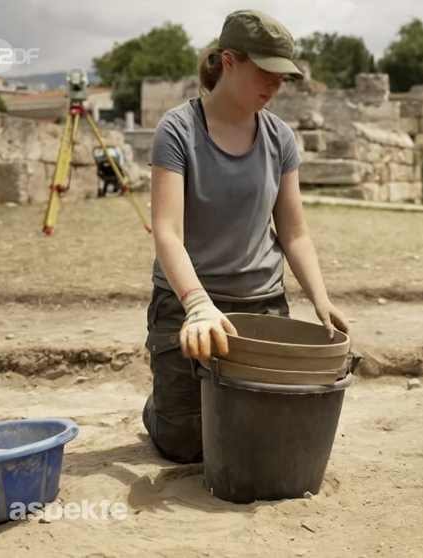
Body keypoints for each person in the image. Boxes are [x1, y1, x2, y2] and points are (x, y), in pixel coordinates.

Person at [142, 9, 350, 464]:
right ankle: (162, 405)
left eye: (283, 77)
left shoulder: (280, 138)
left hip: (260, 305)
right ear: (229, 61)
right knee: (185, 447)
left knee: (256, 436)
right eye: (266, 72)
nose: (275, 86)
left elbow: (293, 231)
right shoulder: (177, 130)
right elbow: (167, 232)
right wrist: (197, 305)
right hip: (186, 304)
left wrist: (320, 297)